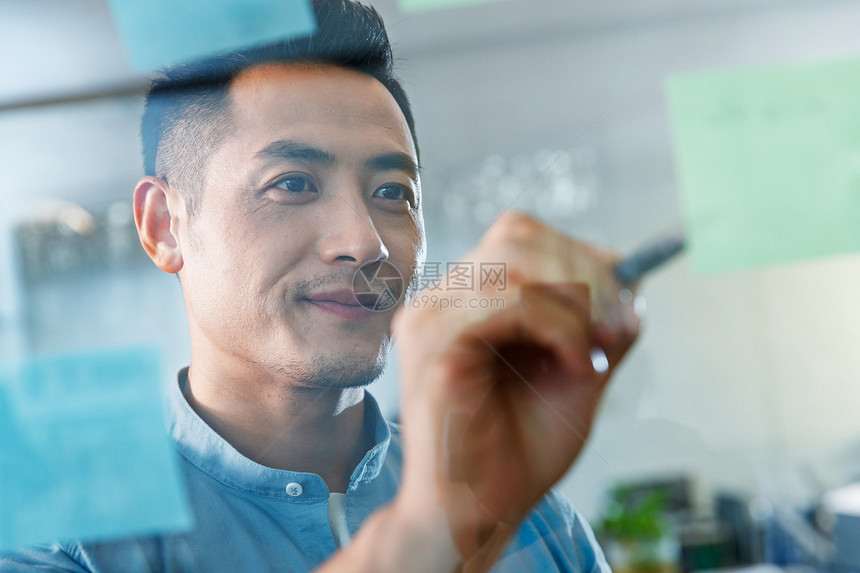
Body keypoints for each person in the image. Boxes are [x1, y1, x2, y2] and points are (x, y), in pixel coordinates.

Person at [0, 0, 640, 571]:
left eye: (393, 194)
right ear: (165, 226)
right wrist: (427, 534)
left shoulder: (535, 524)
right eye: (292, 183)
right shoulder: (61, 541)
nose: (366, 243)